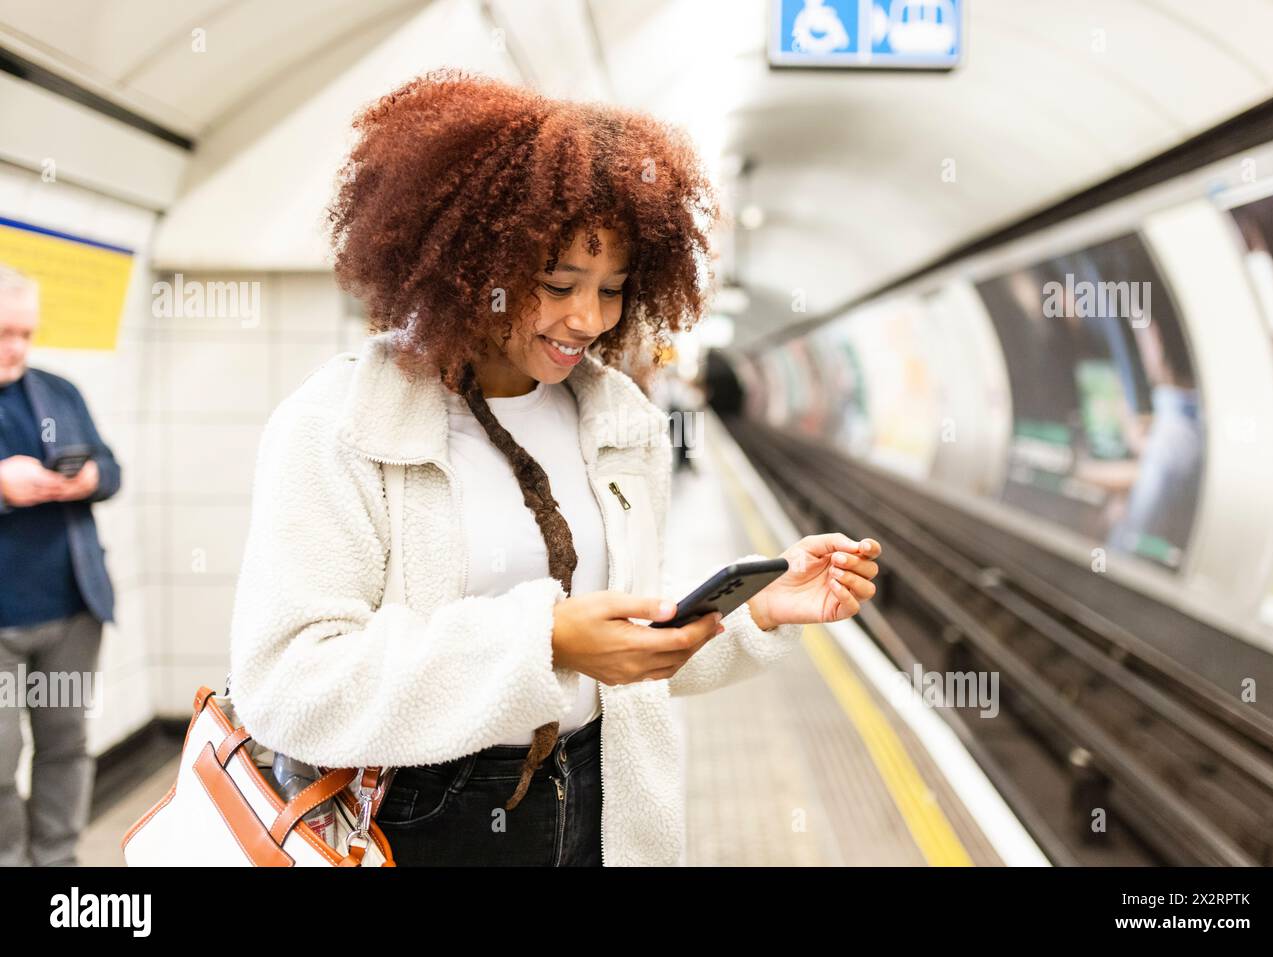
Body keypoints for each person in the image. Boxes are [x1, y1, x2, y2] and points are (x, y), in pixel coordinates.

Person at [227, 69, 882, 867]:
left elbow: (630, 647)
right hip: (418, 820)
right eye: (557, 282)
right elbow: (290, 683)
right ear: (468, 262)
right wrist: (541, 642)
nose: (588, 319)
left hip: (601, 802)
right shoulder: (342, 425)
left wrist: (759, 610)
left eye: (612, 289)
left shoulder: (619, 422)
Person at [0, 265, 121, 866]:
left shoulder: (57, 391)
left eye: (25, 333)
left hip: (71, 613)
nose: (16, 347)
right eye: (2, 333)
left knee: (65, 747)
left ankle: (57, 863)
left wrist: (94, 478)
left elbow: (110, 466)